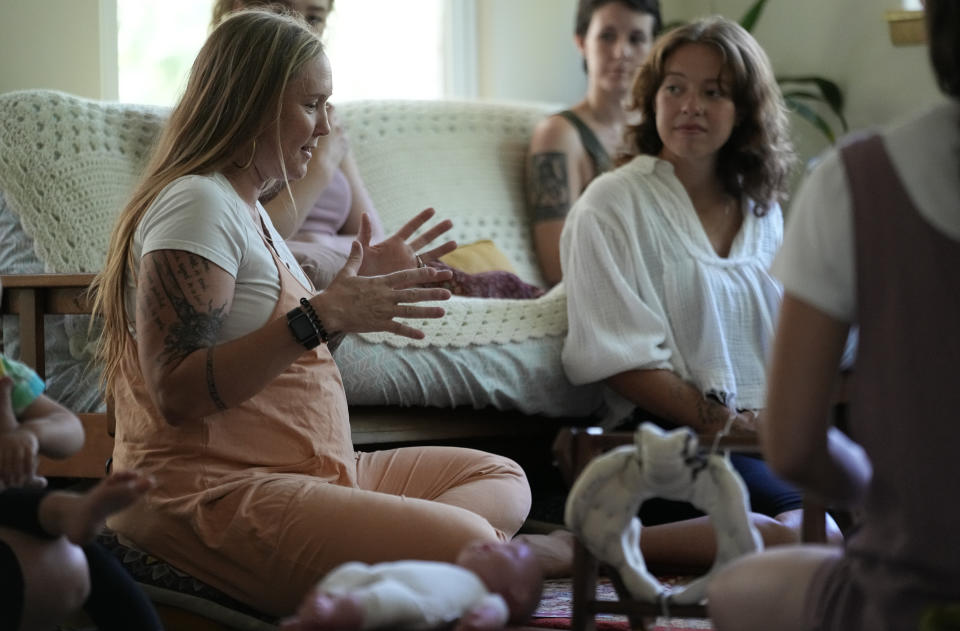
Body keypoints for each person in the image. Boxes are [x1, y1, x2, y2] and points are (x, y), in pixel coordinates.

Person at [90, 10, 537, 618]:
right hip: (216, 496)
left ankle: (414, 576)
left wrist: (349, 311)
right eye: (313, 105)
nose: (326, 127)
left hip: (316, 470)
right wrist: (321, 316)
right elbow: (175, 392)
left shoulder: (250, 210)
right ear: (252, 105)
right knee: (472, 539)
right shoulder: (195, 203)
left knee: (504, 478)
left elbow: (288, 364)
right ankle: (465, 569)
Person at [537, 16, 833, 575]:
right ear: (652, 99)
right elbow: (617, 359)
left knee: (838, 537)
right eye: (675, 87)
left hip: (757, 441)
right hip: (660, 437)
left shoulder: (761, 210)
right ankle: (576, 550)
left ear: (744, 110)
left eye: (713, 91)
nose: (689, 105)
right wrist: (724, 422)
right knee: (800, 537)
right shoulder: (610, 203)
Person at [707, 1, 960, 631]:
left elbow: (792, 442)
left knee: (735, 594)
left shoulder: (855, 180)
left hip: (918, 596)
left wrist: (877, 490)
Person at [212, 0, 544, 299]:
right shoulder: (223, 117)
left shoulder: (327, 119)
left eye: (314, 16)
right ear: (242, 9)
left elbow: (370, 236)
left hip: (332, 260)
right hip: (287, 262)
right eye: (284, 10)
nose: (300, 27)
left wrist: (334, 245)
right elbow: (245, 235)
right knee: (310, 260)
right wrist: (324, 164)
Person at [0, 285, 167, 631]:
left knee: (90, 555)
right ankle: (70, 511)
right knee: (62, 520)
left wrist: (33, 435)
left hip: (20, 508)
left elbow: (69, 431)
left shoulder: (4, 373)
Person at [526, 0, 662, 286]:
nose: (621, 52)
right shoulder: (559, 136)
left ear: (653, 49)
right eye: (607, 36)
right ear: (581, 42)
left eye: (636, 39)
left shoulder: (664, 130)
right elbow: (558, 268)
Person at [280, 539, 544, 631]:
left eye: (511, 551)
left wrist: (484, 620)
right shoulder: (455, 574)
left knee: (386, 600)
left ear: (517, 593)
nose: (498, 543)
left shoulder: (487, 596)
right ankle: (321, 609)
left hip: (413, 600)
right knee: (351, 571)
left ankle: (331, 615)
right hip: (375, 575)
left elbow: (494, 613)